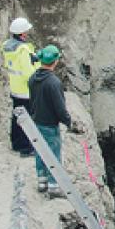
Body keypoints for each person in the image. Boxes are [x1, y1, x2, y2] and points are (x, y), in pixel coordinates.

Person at [28, 45, 72, 197]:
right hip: (49, 125)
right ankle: (53, 186)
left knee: (40, 151)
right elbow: (60, 109)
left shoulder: (33, 78)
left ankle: (42, 182)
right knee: (53, 154)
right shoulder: (54, 83)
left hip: (36, 122)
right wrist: (68, 122)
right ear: (55, 61)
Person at [3, 17, 37, 156]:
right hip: (25, 90)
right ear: (22, 33)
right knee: (27, 119)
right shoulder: (23, 49)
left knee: (17, 117)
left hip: (15, 88)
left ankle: (16, 144)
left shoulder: (8, 47)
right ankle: (26, 148)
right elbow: (28, 72)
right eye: (26, 31)